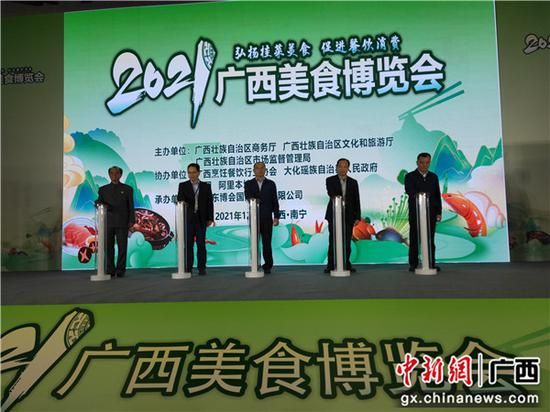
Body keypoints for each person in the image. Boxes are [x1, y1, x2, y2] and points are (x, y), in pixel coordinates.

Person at [405, 152, 442, 272]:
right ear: (417, 163)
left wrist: (438, 212)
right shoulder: (410, 176)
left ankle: (431, 263)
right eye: (422, 163)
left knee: (430, 240)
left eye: (427, 163)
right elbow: (410, 191)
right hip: (416, 214)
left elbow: (437, 195)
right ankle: (413, 264)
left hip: (431, 214)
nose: (424, 165)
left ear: (429, 163)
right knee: (415, 239)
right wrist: (420, 195)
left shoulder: (433, 177)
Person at [96, 166, 135, 278]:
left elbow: (131, 206)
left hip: (122, 222)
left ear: (120, 175)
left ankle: (120, 270)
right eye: (112, 173)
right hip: (107, 222)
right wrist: (97, 203)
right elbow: (99, 201)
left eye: (117, 173)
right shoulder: (103, 189)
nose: (114, 175)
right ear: (109, 175)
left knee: (122, 248)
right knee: (109, 248)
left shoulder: (127, 189)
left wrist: (131, 221)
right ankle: (110, 269)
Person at [324, 158, 361, 273]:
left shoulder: (353, 182)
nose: (342, 169)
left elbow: (356, 200)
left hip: (348, 216)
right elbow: (332, 194)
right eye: (340, 166)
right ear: (336, 167)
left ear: (348, 168)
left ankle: (346, 264)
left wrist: (357, 216)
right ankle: (331, 265)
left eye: (345, 166)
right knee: (333, 240)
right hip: (334, 215)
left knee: (347, 241)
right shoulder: (330, 180)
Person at [177, 163, 214, 275]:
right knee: (188, 245)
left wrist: (210, 218)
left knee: (201, 245)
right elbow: (180, 200)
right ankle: (188, 268)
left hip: (201, 219)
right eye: (189, 172)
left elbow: (209, 203)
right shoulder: (183, 185)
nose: (191, 175)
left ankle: (202, 268)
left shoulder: (206, 186)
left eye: (194, 172)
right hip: (188, 219)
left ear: (198, 173)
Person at [244, 162, 280, 274]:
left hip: (267, 217)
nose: (259, 170)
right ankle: (255, 264)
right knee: (254, 242)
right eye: (257, 168)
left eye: (262, 168)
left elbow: (275, 200)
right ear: (253, 170)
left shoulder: (271, 184)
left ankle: (268, 265)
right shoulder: (248, 184)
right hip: (254, 217)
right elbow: (248, 197)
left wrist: (276, 216)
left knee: (266, 243)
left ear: (265, 170)